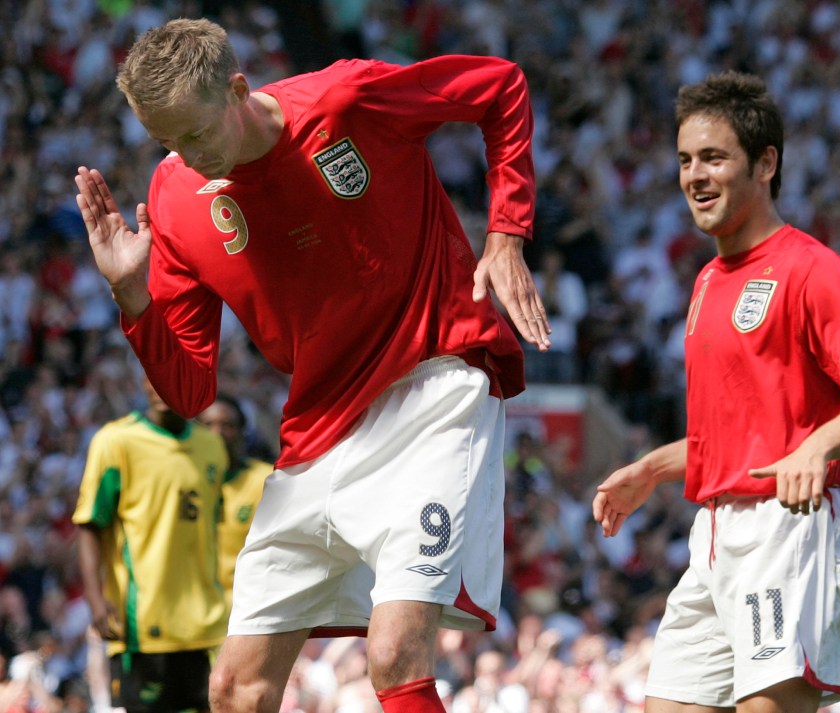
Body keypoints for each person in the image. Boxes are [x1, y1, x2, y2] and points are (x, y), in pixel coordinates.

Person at [73, 17, 551, 713]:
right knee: (235, 686)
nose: (186, 157)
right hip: (317, 426)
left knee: (393, 653)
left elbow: (499, 87)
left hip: (434, 382)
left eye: (198, 135)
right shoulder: (173, 199)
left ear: (238, 89)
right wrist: (133, 297)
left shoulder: (343, 100)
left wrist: (506, 234)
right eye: (167, 142)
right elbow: (188, 390)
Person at [592, 70, 840, 713]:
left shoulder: (813, 270)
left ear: (765, 163)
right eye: (685, 160)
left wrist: (816, 449)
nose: (695, 176)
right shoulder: (707, 281)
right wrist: (651, 469)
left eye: (714, 157)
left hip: (788, 530)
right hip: (713, 534)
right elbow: (733, 436)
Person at [73, 376, 229, 713]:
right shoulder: (116, 441)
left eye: (174, 372)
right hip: (142, 626)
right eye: (151, 373)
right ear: (142, 379)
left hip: (206, 625)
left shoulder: (211, 447)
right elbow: (89, 524)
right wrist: (95, 599)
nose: (161, 383)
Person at [197, 393, 273, 611]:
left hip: (246, 609)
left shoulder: (265, 481)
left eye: (227, 425)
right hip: (192, 609)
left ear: (242, 433)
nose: (217, 433)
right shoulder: (183, 481)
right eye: (207, 424)